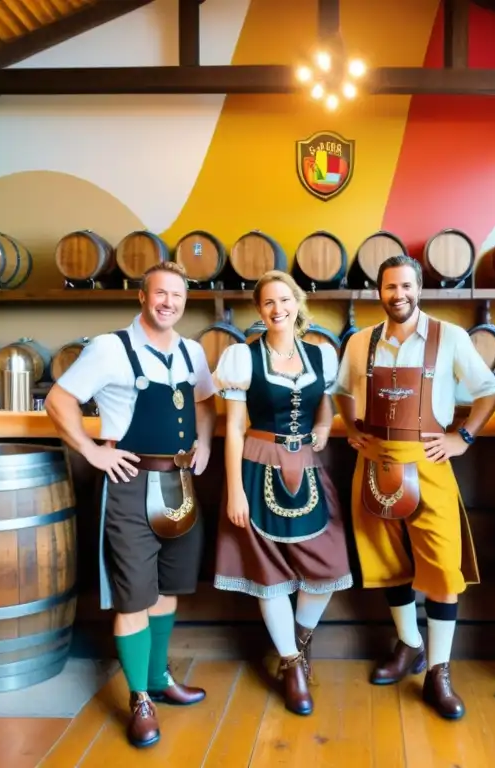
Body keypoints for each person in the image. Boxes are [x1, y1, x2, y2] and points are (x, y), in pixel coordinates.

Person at [44, 261, 216, 749]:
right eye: (160, 294)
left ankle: (159, 676)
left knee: (167, 588)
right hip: (129, 483)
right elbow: (59, 400)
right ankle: (140, 697)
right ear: (142, 297)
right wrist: (92, 450)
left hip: (179, 482)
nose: (169, 303)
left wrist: (203, 443)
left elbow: (205, 402)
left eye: (178, 297)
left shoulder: (192, 351)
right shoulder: (109, 348)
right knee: (133, 594)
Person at [332, 254, 495, 720]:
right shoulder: (360, 343)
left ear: (419, 287)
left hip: (428, 463)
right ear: (378, 291)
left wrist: (462, 436)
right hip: (373, 461)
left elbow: (489, 390)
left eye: (406, 286)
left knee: (445, 570)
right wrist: (352, 425)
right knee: (387, 563)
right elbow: (341, 391)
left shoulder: (451, 337)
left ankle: (439, 672)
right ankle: (409, 644)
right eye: (390, 287)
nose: (398, 294)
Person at [212, 270, 353, 716]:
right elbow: (233, 428)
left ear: (297, 304)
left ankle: (299, 639)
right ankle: (292, 664)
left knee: (329, 562)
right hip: (257, 464)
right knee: (266, 571)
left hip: (307, 468)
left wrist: (325, 425)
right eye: (268, 302)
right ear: (260, 309)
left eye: (284, 300)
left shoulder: (320, 356)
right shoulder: (241, 357)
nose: (278, 309)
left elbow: (324, 402)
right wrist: (234, 489)